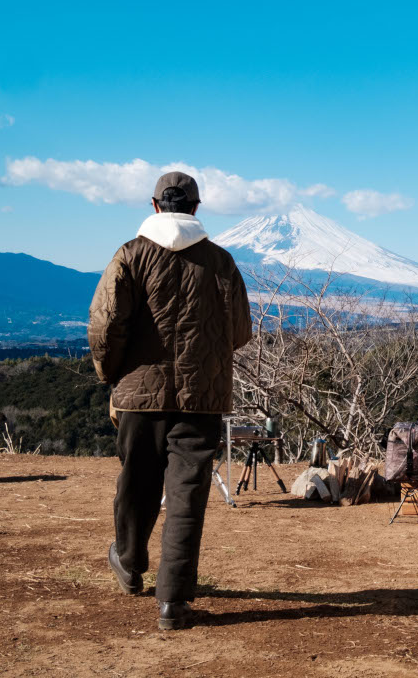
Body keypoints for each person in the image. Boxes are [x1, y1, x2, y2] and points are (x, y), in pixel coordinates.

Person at [88, 171, 252, 630]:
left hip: (139, 396)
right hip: (202, 400)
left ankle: (128, 559)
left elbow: (105, 327)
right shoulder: (221, 263)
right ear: (196, 208)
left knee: (136, 481)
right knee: (187, 494)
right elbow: (239, 332)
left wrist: (113, 377)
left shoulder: (130, 256)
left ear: (154, 205)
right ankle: (173, 602)